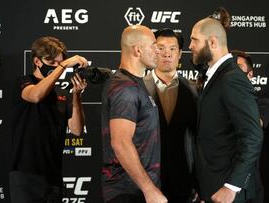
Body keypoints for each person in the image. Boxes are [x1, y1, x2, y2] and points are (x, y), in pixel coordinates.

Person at [189, 11, 264, 203]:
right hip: (212, 186)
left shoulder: (231, 79)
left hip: (228, 192)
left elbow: (253, 135)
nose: (190, 46)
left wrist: (232, 187)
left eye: (194, 40)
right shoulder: (215, 75)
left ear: (213, 42)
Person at [10, 36, 88, 203]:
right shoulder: (23, 82)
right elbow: (36, 96)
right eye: (51, 62)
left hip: (53, 176)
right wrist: (63, 66)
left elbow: (76, 129)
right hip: (25, 174)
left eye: (59, 62)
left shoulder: (62, 92)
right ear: (37, 61)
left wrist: (76, 95)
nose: (55, 67)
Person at [101, 25, 167, 203]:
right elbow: (120, 143)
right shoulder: (126, 88)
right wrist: (149, 189)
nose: (158, 51)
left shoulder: (133, 83)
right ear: (138, 50)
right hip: (128, 192)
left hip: (136, 190)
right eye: (153, 45)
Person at [143, 28, 197, 203]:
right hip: (146, 183)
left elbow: (200, 139)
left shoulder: (194, 90)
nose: (167, 54)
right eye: (161, 48)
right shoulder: (137, 88)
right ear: (152, 50)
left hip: (183, 183)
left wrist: (199, 181)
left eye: (172, 49)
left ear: (180, 53)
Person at [231, 50, 269, 203]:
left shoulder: (262, 104)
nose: (234, 72)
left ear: (250, 74)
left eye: (239, 67)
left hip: (250, 185)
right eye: (230, 68)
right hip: (219, 181)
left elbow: (253, 127)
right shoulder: (214, 102)